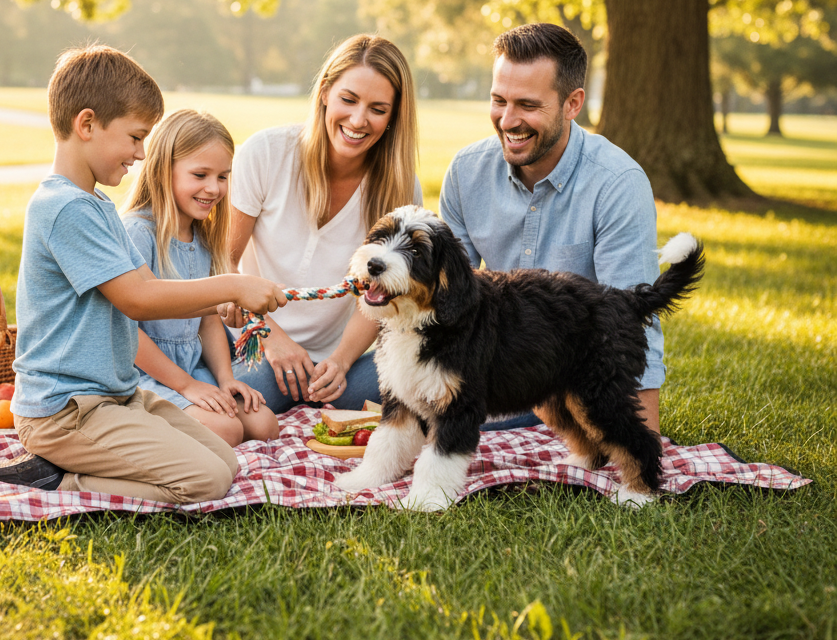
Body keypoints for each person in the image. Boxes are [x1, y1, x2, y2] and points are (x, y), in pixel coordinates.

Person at [0, 46, 286, 498]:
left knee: (225, 458)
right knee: (209, 479)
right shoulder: (64, 209)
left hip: (115, 398)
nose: (141, 153)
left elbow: (153, 287)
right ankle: (58, 475)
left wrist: (223, 298)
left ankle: (82, 463)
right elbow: (137, 298)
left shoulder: (96, 206)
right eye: (135, 137)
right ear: (87, 125)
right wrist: (234, 283)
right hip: (66, 413)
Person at [439, 23, 666, 433]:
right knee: (362, 393)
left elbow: (633, 320)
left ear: (572, 103)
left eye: (527, 105)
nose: (508, 120)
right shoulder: (466, 172)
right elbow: (446, 295)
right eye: (498, 100)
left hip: (574, 381)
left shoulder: (617, 183)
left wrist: (639, 437)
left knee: (436, 429)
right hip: (483, 368)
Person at [221, 34, 422, 413]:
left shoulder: (400, 188)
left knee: (437, 398)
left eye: (378, 109)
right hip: (259, 343)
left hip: (343, 362)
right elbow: (223, 262)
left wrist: (341, 362)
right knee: (241, 404)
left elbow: (381, 293)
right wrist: (270, 337)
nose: (358, 120)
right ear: (326, 92)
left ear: (394, 115)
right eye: (349, 100)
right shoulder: (266, 153)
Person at [121, 109, 279, 447]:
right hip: (142, 377)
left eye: (223, 176)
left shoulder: (204, 238)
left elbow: (207, 321)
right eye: (200, 174)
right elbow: (125, 333)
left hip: (192, 370)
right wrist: (186, 386)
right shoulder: (138, 232)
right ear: (164, 171)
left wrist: (225, 379)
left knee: (264, 424)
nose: (214, 188)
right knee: (227, 430)